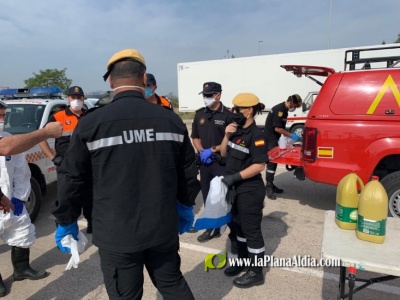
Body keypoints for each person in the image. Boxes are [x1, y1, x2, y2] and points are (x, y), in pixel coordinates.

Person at [52, 48, 200, 300]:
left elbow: (71, 177)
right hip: (162, 226)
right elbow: (187, 170)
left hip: (116, 233)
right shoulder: (170, 121)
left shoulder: (91, 123)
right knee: (173, 285)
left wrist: (66, 219)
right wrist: (185, 205)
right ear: (144, 78)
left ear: (110, 80)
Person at [0, 101, 49, 297]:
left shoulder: (10, 140)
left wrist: (20, 197)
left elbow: (21, 172)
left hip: (11, 201)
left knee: (22, 231)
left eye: (4, 116)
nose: (2, 120)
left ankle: (21, 269)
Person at [220, 93, 267, 288]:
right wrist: (226, 135)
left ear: (248, 111)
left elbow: (260, 165)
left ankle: (256, 272)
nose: (234, 112)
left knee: (251, 231)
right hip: (235, 189)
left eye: (237, 109)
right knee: (237, 227)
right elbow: (223, 154)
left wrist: (235, 178)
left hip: (249, 190)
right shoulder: (236, 131)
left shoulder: (256, 135)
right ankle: (242, 262)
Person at [39, 86, 93, 233]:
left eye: (79, 97)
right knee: (67, 199)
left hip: (87, 165)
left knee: (90, 198)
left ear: (83, 99)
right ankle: (67, 229)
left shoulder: (89, 116)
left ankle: (92, 226)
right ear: (68, 98)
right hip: (66, 166)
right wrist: (53, 158)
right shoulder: (58, 116)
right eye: (73, 97)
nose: (76, 100)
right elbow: (41, 137)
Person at [190, 82, 237, 247]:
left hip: (221, 163)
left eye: (209, 95)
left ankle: (224, 225)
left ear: (218, 95)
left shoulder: (229, 115)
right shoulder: (200, 114)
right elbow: (195, 136)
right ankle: (211, 227)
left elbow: (231, 140)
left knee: (222, 195)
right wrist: (202, 150)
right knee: (207, 194)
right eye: (204, 95)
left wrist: (212, 150)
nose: (205, 98)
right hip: (205, 162)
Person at [264, 94, 302, 200]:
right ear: (290, 102)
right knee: (272, 161)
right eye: (294, 105)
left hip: (274, 138)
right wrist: (291, 135)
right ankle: (268, 187)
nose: (294, 108)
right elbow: (277, 128)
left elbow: (281, 128)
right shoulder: (280, 110)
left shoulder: (284, 110)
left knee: (275, 162)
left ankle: (271, 184)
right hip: (270, 138)